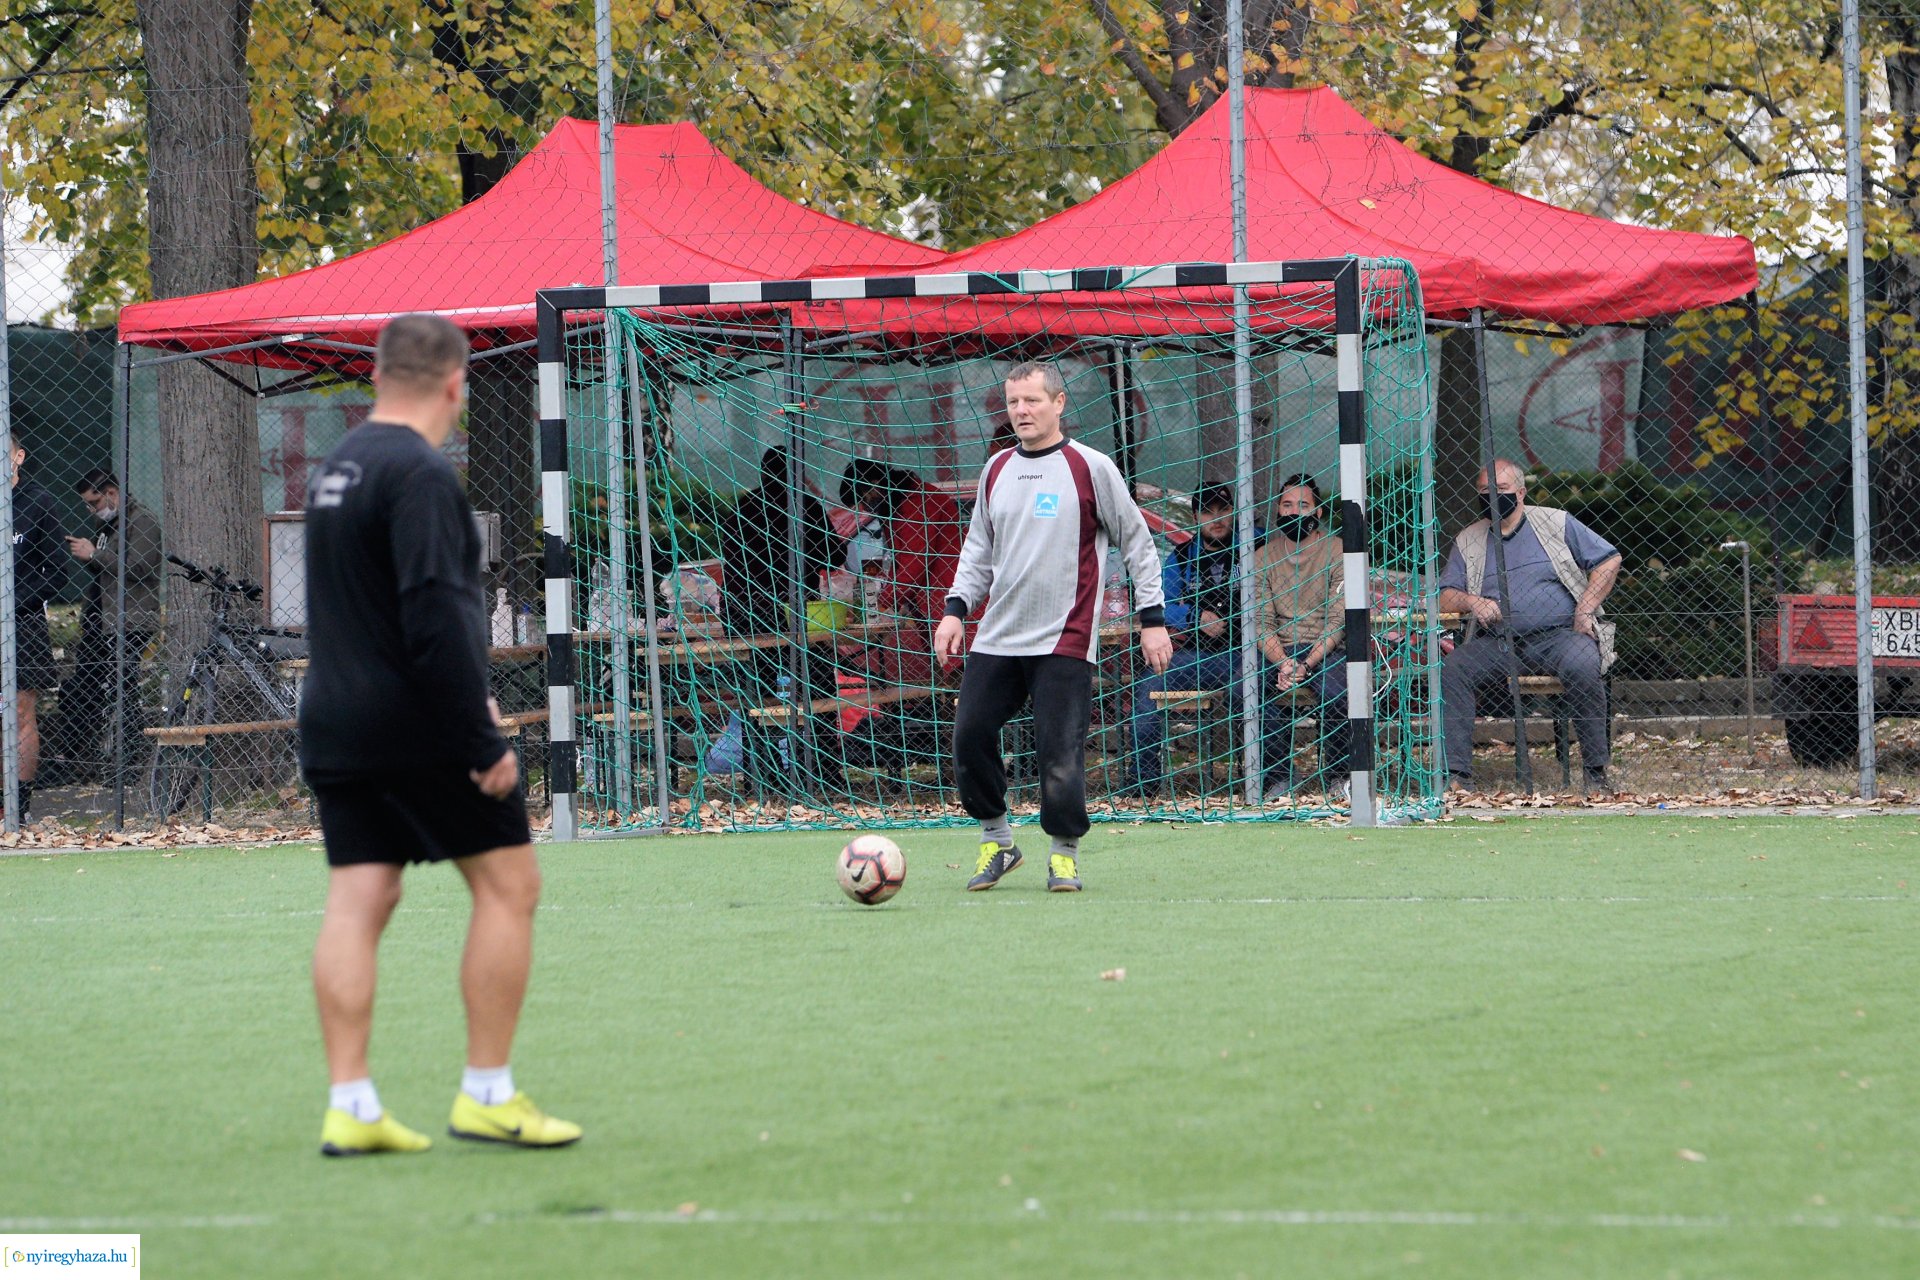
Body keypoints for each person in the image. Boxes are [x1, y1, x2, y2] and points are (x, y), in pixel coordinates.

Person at [300, 313, 579, 1157]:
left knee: (361, 899)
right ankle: (487, 1093)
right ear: (456, 385)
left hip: (334, 718)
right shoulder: (421, 475)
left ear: (377, 375)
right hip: (416, 726)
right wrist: (481, 738)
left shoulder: (337, 469)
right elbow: (436, 621)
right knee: (510, 887)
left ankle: (350, 1102)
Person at [935, 360, 1171, 893]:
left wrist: (1151, 619)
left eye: (1032, 400)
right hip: (998, 635)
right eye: (1013, 401)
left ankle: (1064, 855)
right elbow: (978, 551)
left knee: (1058, 754)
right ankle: (997, 842)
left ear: (1059, 404)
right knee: (969, 735)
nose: (1021, 410)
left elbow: (1138, 543)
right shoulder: (996, 470)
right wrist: (955, 609)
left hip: (1065, 637)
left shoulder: (1091, 467)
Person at [1436, 458, 1621, 793]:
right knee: (1454, 669)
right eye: (1484, 491)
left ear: (1521, 492)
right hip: (1499, 643)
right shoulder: (1469, 539)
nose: (1492, 496)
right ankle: (1457, 777)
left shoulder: (1555, 523)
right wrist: (1472, 602)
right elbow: (1444, 596)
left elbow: (1609, 560)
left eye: (1501, 490)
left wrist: (1586, 607)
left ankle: (1595, 773)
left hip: (1560, 637)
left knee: (1583, 664)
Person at [1123, 481, 1248, 796]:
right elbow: (1160, 604)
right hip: (1195, 657)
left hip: (1243, 654)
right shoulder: (1180, 557)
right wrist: (1195, 617)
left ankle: (1255, 776)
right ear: (1195, 516)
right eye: (1208, 512)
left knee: (1245, 692)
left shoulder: (1253, 547)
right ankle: (1144, 782)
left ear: (1233, 513)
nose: (1216, 519)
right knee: (1149, 688)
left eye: (1223, 511)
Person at [44, 470, 163, 785]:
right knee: (83, 687)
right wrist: (93, 555)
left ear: (111, 493)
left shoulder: (143, 522)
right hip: (102, 620)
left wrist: (94, 554)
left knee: (121, 688)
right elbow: (110, 567)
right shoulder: (108, 525)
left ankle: (128, 763)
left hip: (130, 621)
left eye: (94, 502)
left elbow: (140, 566)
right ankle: (74, 759)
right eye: (86, 504)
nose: (92, 509)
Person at [1251, 476, 1351, 801]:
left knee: (1338, 694)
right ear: (1277, 511)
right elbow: (1261, 622)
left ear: (1318, 512)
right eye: (1287, 505)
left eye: (1303, 505)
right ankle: (1278, 777)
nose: (1295, 512)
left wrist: (1306, 664)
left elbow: (1338, 619)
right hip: (1279, 651)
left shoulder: (1338, 550)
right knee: (1245, 692)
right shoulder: (1262, 556)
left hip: (1325, 650)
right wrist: (1283, 662)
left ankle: (1339, 776)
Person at [838, 459, 964, 685]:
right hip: (932, 599)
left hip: (946, 596)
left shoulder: (919, 504)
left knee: (957, 670)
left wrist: (882, 601)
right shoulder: (900, 503)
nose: (865, 508)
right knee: (946, 671)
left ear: (875, 484)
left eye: (863, 499)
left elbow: (913, 562)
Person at [5, 443, 67, 823]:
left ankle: (19, 806)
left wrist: (13, 604)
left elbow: (57, 575)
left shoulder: (38, 502)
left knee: (21, 713)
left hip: (22, 623)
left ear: (18, 456)